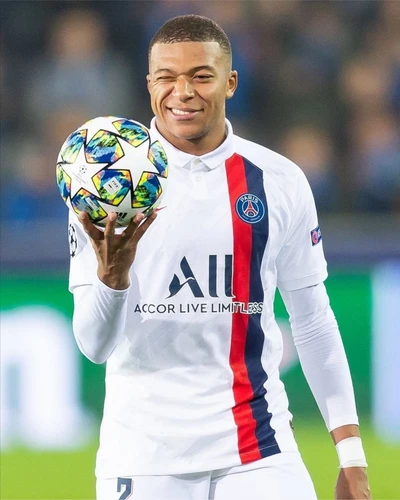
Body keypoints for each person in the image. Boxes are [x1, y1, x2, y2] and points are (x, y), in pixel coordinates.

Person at [69, 15, 371, 500]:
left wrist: (351, 455)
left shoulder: (278, 180)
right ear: (149, 85)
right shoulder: (105, 186)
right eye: (166, 77)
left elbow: (313, 319)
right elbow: (93, 346)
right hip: (144, 457)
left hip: (259, 451)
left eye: (200, 76)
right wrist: (112, 280)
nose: (181, 91)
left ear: (230, 82)